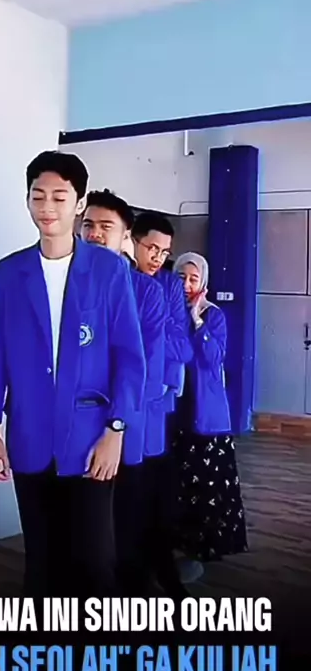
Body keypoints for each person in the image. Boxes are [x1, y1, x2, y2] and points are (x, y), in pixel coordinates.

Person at [0, 154, 146, 599]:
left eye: (59, 197)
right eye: (38, 196)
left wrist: (116, 430)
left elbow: (129, 357)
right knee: (41, 563)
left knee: (94, 564)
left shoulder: (109, 270)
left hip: (91, 439)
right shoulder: (9, 272)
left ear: (79, 203)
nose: (47, 207)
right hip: (29, 435)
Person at [81, 189, 187, 599]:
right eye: (88, 225)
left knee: (133, 506)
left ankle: (138, 585)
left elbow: (155, 357)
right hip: (86, 414)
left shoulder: (153, 290)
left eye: (106, 227)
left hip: (136, 411)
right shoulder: (75, 280)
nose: (94, 234)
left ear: (124, 235)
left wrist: (122, 415)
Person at [131, 211, 203, 583]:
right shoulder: (121, 279)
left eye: (164, 251)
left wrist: (150, 332)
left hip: (157, 403)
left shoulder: (168, 285)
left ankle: (156, 567)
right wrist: (157, 334)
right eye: (152, 248)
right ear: (133, 241)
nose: (158, 258)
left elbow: (183, 347)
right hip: (123, 399)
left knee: (155, 489)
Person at [172, 252, 249, 561]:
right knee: (179, 481)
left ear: (203, 282)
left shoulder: (213, 315)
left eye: (194, 279)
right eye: (181, 277)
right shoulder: (167, 311)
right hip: (176, 408)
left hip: (206, 411)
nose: (187, 285)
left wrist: (197, 319)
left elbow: (213, 357)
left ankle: (208, 546)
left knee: (208, 483)